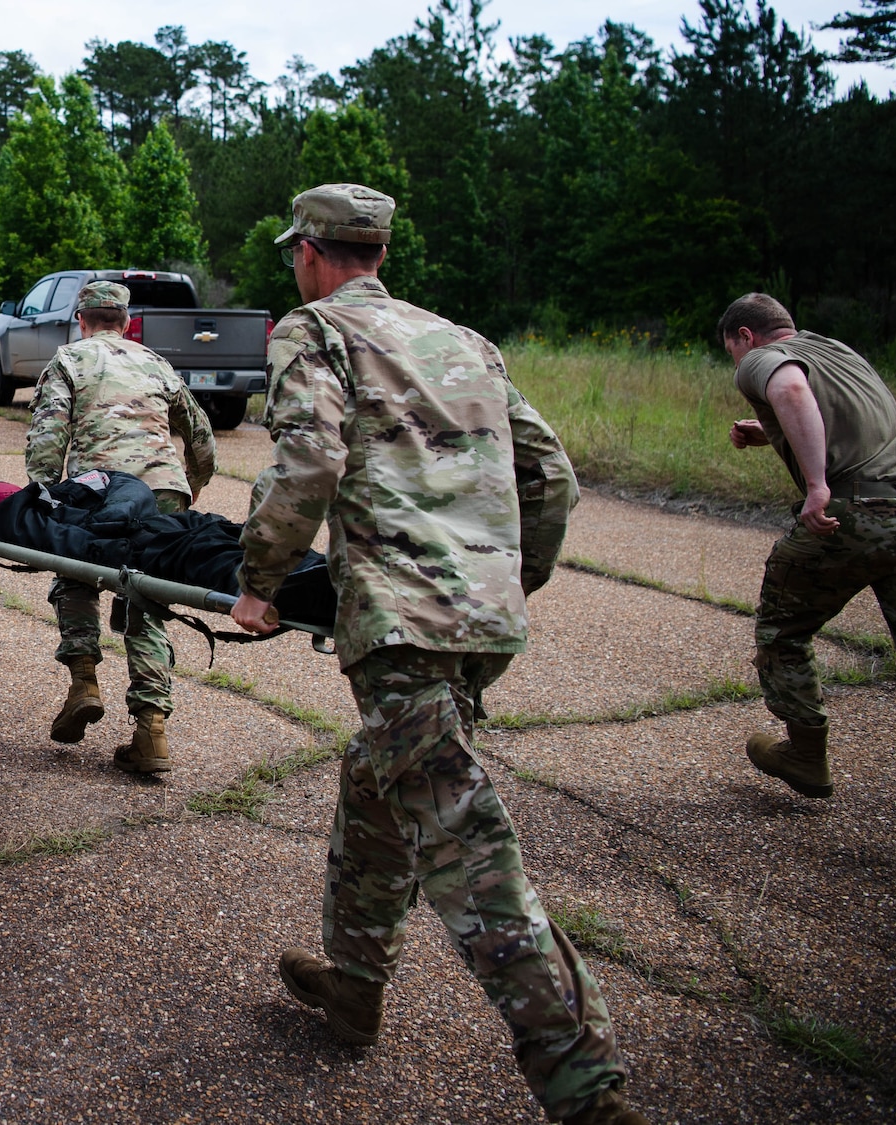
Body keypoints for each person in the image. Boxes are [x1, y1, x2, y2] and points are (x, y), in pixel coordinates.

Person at [230, 184, 644, 1125]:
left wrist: (260, 576)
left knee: (468, 851)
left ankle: (586, 1087)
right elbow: (553, 476)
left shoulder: (314, 329)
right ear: (379, 251)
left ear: (309, 252)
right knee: (376, 776)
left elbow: (309, 460)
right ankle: (354, 984)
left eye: (296, 250)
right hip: (481, 620)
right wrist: (509, 579)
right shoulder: (465, 341)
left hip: (402, 621)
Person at [721, 292, 896, 797]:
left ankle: (805, 754)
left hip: (851, 516)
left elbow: (789, 389)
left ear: (746, 336)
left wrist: (815, 485)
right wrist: (770, 432)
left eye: (733, 352)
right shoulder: (838, 351)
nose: (739, 365)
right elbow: (846, 417)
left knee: (782, 628)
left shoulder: (761, 358)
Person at [24, 279, 215, 773]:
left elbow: (47, 438)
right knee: (147, 600)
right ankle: (151, 732)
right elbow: (201, 435)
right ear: (127, 322)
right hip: (163, 493)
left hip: (101, 490)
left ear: (81, 320)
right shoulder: (155, 362)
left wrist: (44, 500)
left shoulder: (69, 359)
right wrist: (188, 488)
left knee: (74, 572)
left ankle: (84, 681)